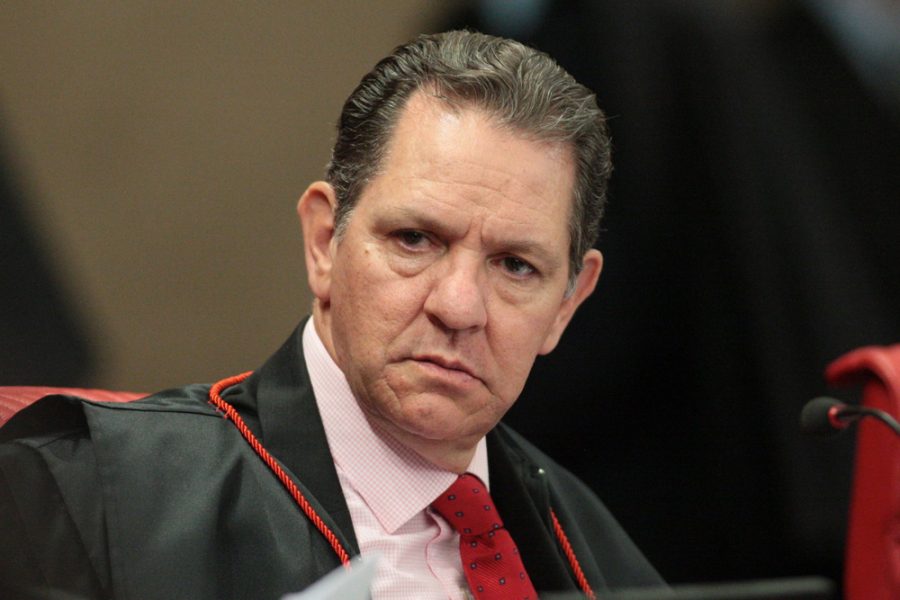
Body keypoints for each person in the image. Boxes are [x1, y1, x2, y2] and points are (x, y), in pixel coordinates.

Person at [0, 31, 663, 599]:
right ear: (324, 242)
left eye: (516, 266)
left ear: (567, 304)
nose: (459, 306)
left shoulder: (601, 556)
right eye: (415, 240)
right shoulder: (87, 496)